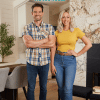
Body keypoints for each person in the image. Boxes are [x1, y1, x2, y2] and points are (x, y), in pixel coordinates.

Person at [51, 10, 92, 100]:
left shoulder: (76, 31)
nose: (65, 19)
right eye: (63, 17)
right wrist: (52, 64)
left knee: (68, 89)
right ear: (61, 19)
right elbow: (53, 48)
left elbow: (89, 44)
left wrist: (77, 53)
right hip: (57, 60)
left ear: (70, 19)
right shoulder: (57, 32)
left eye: (67, 17)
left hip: (70, 61)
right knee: (61, 88)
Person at [22, 3, 55, 100]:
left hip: (44, 63)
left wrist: (34, 43)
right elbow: (28, 44)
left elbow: (52, 44)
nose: (37, 14)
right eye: (35, 12)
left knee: (43, 88)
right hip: (31, 63)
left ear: (43, 13)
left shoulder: (49, 27)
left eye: (39, 12)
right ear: (32, 13)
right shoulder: (26, 27)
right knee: (31, 88)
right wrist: (45, 40)